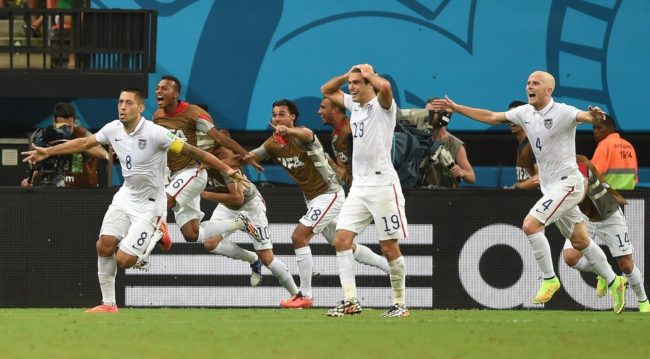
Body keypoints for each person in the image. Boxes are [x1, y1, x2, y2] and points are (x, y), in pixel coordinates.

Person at [22, 88, 250, 313]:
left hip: (151, 204)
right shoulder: (112, 129)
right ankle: (109, 304)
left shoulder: (156, 133)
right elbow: (83, 143)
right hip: (125, 196)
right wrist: (48, 152)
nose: (122, 107)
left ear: (140, 107)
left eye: (128, 102)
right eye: (120, 102)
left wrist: (227, 170)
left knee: (123, 260)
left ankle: (159, 230)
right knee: (104, 245)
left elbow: (196, 152)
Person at [432, 70, 628, 314]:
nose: (529, 87)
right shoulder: (524, 112)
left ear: (549, 90)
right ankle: (614, 281)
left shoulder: (563, 112)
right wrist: (457, 107)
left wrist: (595, 116)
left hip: (569, 185)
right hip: (550, 188)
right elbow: (492, 117)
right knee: (580, 240)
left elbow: (587, 117)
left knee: (530, 225)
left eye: (535, 83)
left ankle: (549, 279)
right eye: (527, 83)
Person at [248, 98, 390, 309]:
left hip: (330, 193)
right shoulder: (273, 143)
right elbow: (250, 155)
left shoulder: (302, 135)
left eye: (282, 114)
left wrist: (288, 131)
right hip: (313, 199)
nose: (277, 118)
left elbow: (308, 134)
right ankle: (390, 267)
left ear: (292, 117)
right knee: (344, 244)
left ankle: (305, 295)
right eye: (275, 114)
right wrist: (225, 163)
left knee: (299, 236)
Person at [321, 64, 409, 318]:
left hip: (383, 186)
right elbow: (326, 89)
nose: (352, 87)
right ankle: (350, 301)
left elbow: (386, 87)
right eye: (351, 83)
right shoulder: (354, 105)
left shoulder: (384, 106)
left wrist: (368, 74)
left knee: (389, 247)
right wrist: (347, 73)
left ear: (370, 84)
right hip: (359, 186)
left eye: (357, 83)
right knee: (341, 239)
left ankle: (400, 304)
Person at [152, 75, 263, 262]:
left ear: (176, 94)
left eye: (164, 88)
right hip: (174, 178)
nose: (158, 91)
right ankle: (239, 222)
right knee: (191, 235)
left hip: (192, 172)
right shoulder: (157, 117)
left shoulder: (193, 113)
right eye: (157, 88)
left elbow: (219, 138)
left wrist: (244, 154)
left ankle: (142, 253)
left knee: (165, 202)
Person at [202, 144, 301, 298]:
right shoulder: (197, 160)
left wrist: (205, 195)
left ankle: (297, 295)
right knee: (210, 242)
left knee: (267, 258)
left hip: (250, 207)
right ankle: (253, 259)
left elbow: (237, 198)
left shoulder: (224, 163)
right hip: (227, 207)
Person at [562, 155, 648, 312]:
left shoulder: (578, 163)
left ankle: (643, 300)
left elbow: (580, 193)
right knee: (570, 257)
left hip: (608, 215)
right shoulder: (554, 167)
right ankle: (604, 273)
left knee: (626, 265)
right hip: (586, 218)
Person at [21, 102, 108, 188]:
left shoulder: (83, 134)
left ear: (74, 122)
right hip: (55, 191)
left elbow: (103, 153)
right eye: (62, 126)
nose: (65, 131)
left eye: (69, 127)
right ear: (54, 122)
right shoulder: (47, 136)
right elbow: (40, 167)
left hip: (82, 192)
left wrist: (74, 145)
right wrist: (30, 179)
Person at [418, 98, 475, 188]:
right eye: (426, 112)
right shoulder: (418, 140)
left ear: (444, 117)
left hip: (447, 199)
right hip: (421, 197)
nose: (427, 116)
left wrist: (461, 172)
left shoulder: (456, 145)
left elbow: (471, 177)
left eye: (432, 113)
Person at [591, 114, 638, 190]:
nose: (595, 131)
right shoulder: (629, 145)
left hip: (610, 196)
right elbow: (635, 178)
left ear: (611, 128)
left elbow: (593, 174)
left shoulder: (604, 144)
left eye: (599, 128)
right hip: (630, 197)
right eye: (594, 128)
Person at [319, 97, 352, 190]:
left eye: (323, 107)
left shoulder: (351, 131)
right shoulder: (335, 134)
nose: (319, 111)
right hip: (352, 191)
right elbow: (342, 169)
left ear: (335, 109)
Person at [507, 100, 539, 190]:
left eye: (516, 116)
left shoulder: (534, 144)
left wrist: (515, 187)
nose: (512, 120)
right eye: (509, 116)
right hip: (525, 198)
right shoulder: (521, 144)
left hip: (539, 198)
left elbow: (539, 178)